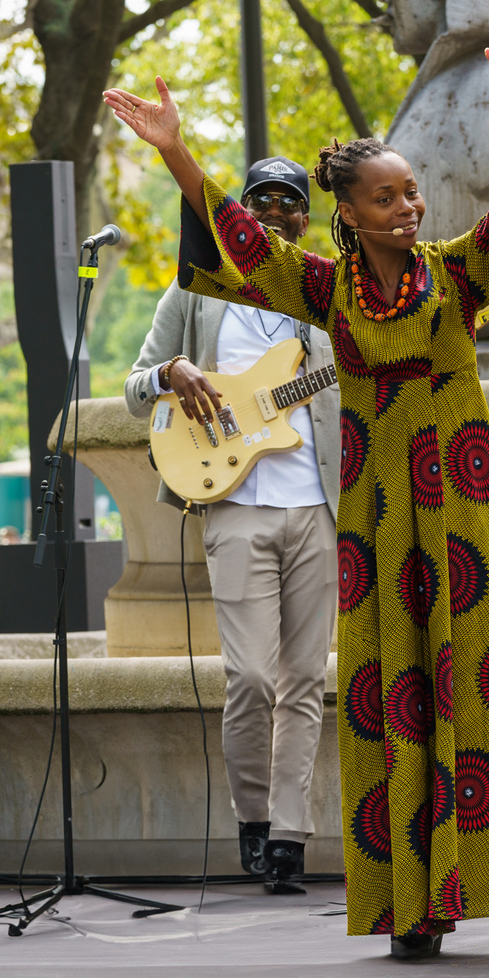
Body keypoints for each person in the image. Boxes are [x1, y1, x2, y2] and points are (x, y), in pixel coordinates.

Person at [105, 37, 489, 958]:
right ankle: (417, 902)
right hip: (377, 526)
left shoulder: (456, 275)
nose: (410, 206)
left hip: (465, 514)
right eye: (389, 197)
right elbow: (238, 241)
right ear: (353, 215)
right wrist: (175, 149)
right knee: (394, 703)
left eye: (412, 191)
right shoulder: (326, 296)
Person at [123, 157, 341, 895]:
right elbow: (132, 387)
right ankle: (252, 814)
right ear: (237, 216)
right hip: (234, 506)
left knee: (305, 680)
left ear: (304, 219)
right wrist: (169, 375)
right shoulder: (194, 291)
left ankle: (287, 835)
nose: (273, 212)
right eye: (259, 203)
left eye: (288, 203)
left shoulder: (323, 294)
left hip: (316, 507)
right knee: (250, 677)